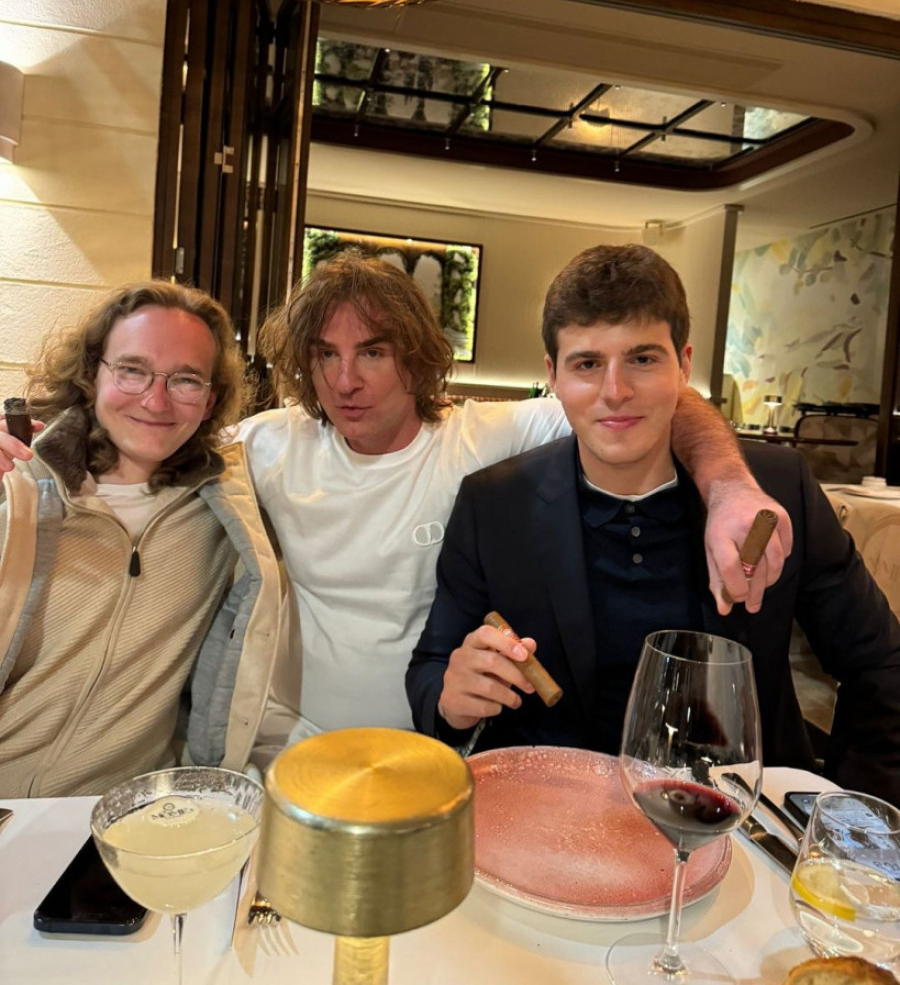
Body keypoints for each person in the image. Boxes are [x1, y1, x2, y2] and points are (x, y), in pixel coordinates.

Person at [406, 244, 900, 802]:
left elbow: (881, 665)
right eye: (587, 364)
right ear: (553, 375)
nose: (615, 391)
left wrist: (852, 819)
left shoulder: (776, 490)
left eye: (642, 359)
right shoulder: (494, 504)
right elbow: (431, 668)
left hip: (740, 814)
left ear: (683, 366)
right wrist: (451, 699)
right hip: (557, 809)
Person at [240, 250, 791, 743]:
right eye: (324, 354)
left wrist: (729, 488)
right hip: (296, 736)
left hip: (436, 745)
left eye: (373, 352)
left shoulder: (486, 437)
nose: (344, 381)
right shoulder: (270, 444)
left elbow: (655, 404)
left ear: (415, 356)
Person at [0, 281, 296, 798]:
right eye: (132, 370)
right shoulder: (16, 489)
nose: (156, 401)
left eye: (185, 380)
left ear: (209, 401)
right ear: (92, 375)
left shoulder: (228, 517)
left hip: (127, 815)